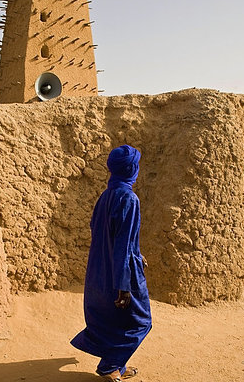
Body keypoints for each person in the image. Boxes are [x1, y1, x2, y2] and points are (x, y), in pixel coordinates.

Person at [71, 145, 152, 381]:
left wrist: (137, 253)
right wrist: (124, 285)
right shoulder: (129, 198)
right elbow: (122, 245)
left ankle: (119, 365)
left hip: (102, 269)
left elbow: (106, 234)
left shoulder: (105, 196)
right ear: (132, 168)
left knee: (114, 319)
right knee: (141, 321)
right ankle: (110, 365)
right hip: (122, 272)